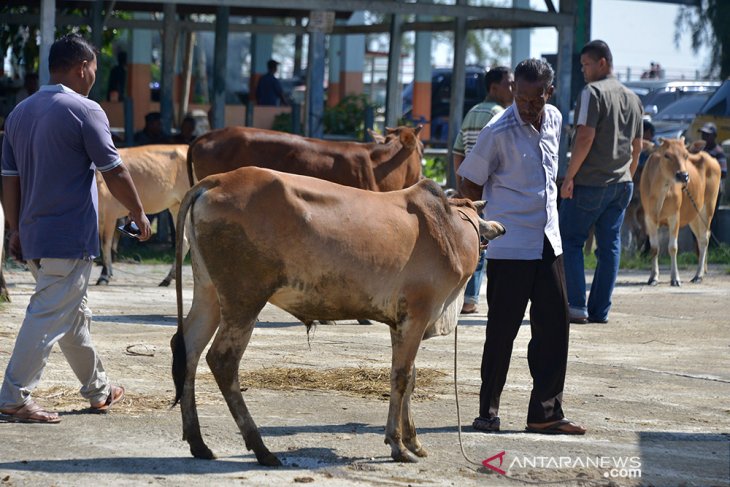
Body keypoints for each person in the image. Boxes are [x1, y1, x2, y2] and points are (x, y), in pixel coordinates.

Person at [0, 33, 152, 423]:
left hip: (34, 236)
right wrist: (138, 211)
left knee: (71, 317)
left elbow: (9, 179)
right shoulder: (84, 110)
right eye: (94, 70)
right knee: (47, 315)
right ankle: (14, 396)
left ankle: (99, 390)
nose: (94, 78)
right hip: (67, 238)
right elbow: (113, 169)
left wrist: (15, 230)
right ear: (83, 67)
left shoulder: (19, 114)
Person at [458, 58, 586, 436]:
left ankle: (545, 412)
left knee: (555, 327)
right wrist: (478, 228)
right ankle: (488, 412)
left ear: (549, 92)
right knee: (501, 331)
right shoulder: (497, 131)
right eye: (521, 97)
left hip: (548, 239)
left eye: (535, 99)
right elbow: (468, 183)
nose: (527, 106)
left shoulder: (556, 119)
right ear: (513, 90)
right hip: (510, 244)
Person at [559, 41, 642, 325]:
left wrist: (569, 177)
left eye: (586, 65)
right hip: (622, 184)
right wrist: (627, 174)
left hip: (591, 183)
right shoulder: (633, 97)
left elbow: (585, 137)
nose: (583, 71)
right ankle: (600, 311)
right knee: (610, 247)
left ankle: (576, 306)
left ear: (602, 63)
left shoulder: (591, 93)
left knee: (570, 240)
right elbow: (637, 146)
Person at [452, 66, 514, 314]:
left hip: (470, 187)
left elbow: (458, 151)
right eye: (508, 83)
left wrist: (462, 182)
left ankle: (465, 296)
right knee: (484, 242)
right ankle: (471, 299)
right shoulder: (501, 115)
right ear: (493, 87)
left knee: (471, 238)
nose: (513, 88)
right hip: (491, 191)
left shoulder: (471, 113)